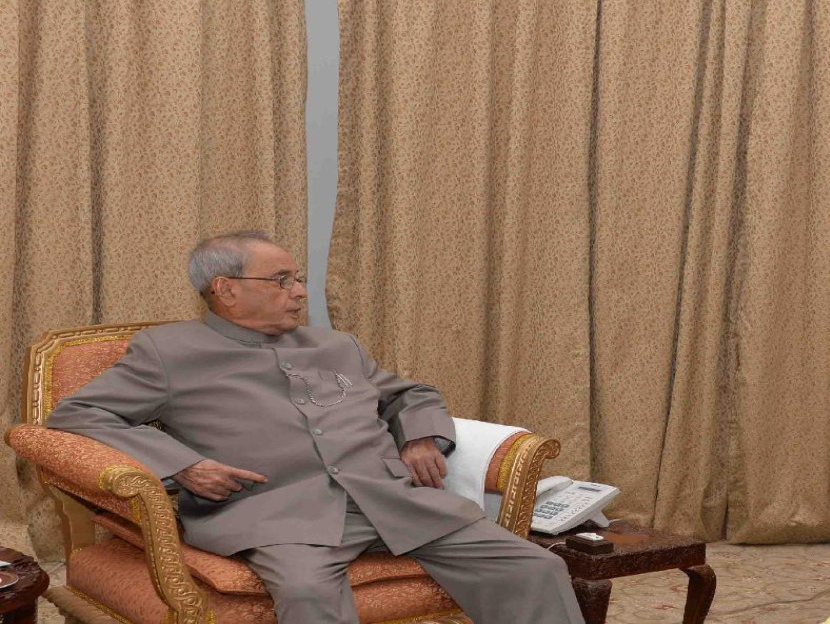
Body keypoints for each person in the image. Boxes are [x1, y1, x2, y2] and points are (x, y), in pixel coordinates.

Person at [46, 230, 584, 624]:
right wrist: (183, 465)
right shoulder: (168, 352)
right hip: (278, 513)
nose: (300, 291)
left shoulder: (335, 345)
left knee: (534, 569)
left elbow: (408, 393)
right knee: (308, 597)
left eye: (298, 278)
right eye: (281, 280)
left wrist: (421, 436)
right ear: (225, 288)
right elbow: (79, 413)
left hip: (391, 500)